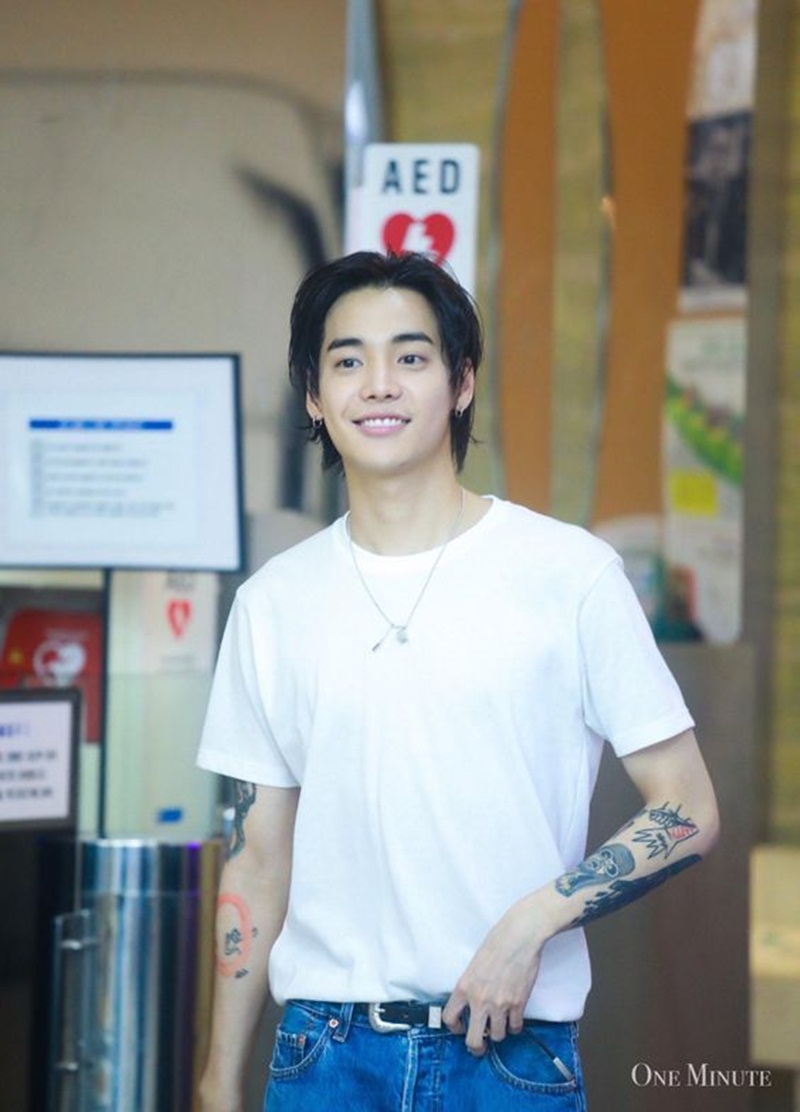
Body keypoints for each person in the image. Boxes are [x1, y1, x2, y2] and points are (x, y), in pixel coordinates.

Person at [196, 250, 719, 1112]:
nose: (379, 384)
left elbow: (689, 808)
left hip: (508, 1054)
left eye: (411, 356)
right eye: (348, 361)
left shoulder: (569, 574)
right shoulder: (272, 604)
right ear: (313, 396)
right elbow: (258, 859)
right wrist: (217, 1080)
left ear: (462, 382)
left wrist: (533, 921)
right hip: (323, 1057)